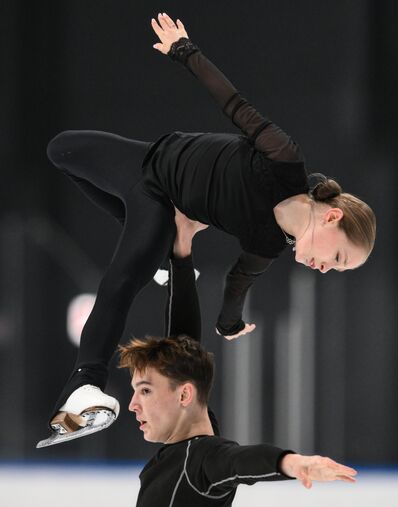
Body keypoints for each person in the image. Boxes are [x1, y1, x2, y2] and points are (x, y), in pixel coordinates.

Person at [40, 13, 375, 442]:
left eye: (336, 269)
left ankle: (85, 387)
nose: (326, 268)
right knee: (60, 149)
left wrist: (230, 323)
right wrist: (185, 50)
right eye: (338, 257)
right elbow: (234, 105)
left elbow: (237, 284)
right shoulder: (284, 160)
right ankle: (157, 256)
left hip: (162, 207)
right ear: (333, 216)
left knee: (119, 283)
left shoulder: (267, 244)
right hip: (148, 159)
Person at [119, 214, 357, 507]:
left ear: (185, 394)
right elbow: (183, 340)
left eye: (144, 390)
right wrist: (182, 250)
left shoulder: (200, 458)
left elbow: (239, 462)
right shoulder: (183, 451)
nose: (132, 404)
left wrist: (291, 463)